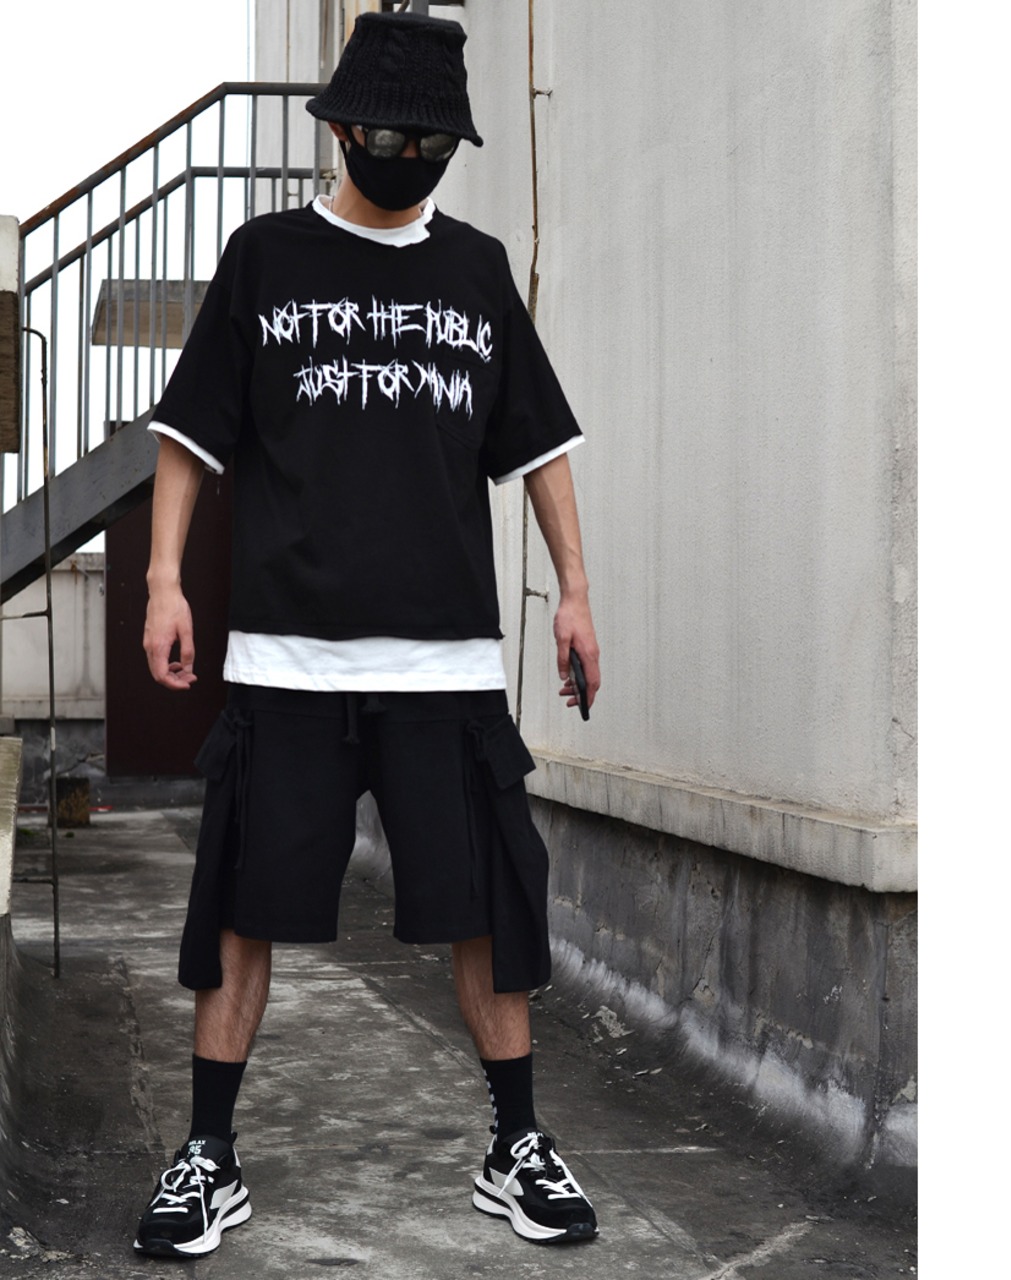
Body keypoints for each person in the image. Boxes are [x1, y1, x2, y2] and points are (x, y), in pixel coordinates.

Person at [131, 12, 601, 1258]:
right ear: (340, 128)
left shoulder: (478, 272)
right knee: (241, 907)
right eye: (388, 135)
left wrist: (575, 590)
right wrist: (164, 581)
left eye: (431, 143)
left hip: (445, 663)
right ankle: (209, 1152)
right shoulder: (265, 258)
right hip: (285, 657)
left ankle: (515, 1145)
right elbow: (191, 436)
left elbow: (541, 445)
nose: (406, 157)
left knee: (486, 909)